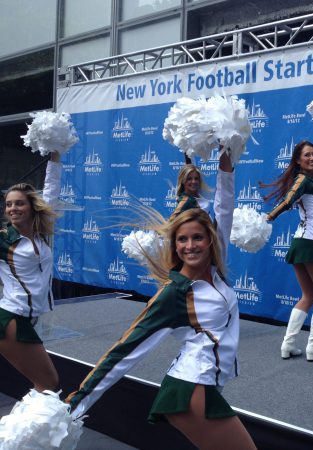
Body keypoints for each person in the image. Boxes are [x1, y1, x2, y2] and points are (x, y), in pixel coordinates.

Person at [66, 152, 256, 449]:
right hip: (191, 387)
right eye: (182, 239)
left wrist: (227, 155)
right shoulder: (175, 293)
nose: (190, 246)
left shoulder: (215, 272)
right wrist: (73, 407)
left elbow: (225, 206)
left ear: (210, 240)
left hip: (206, 383)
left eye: (197, 238)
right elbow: (124, 352)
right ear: (174, 245)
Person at [263, 129, 313, 361]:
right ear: (297, 160)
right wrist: (270, 217)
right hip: (312, 243)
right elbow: (288, 200)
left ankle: (288, 344)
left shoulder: (310, 178)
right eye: (307, 155)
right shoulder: (304, 180)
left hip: (301, 242)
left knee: (309, 294)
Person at [0, 151, 62, 392]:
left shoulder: (40, 235)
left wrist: (55, 159)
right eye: (8, 204)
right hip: (11, 318)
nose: (13, 208)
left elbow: (52, 192)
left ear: (32, 207)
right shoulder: (4, 240)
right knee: (48, 383)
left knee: (44, 384)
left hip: (26, 318)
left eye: (19, 203)